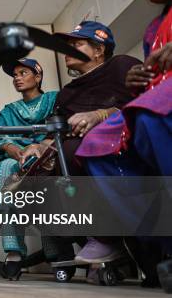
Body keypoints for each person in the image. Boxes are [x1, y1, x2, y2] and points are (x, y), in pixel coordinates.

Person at [75, 0, 172, 290]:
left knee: (149, 116)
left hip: (163, 110)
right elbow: (154, 83)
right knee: (95, 145)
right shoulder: (151, 30)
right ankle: (158, 241)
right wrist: (136, 83)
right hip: (158, 101)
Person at [22, 22, 140, 268]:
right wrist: (41, 145)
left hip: (121, 144)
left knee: (73, 150)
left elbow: (143, 103)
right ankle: (82, 240)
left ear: (99, 50)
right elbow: (57, 127)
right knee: (27, 183)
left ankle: (106, 238)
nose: (68, 51)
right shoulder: (67, 93)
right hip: (74, 153)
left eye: (76, 44)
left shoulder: (121, 66)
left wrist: (101, 115)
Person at [0, 58, 57, 278]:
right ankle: (13, 252)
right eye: (15, 75)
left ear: (38, 77)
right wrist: (10, 147)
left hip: (48, 157)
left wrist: (42, 146)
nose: (17, 78)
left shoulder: (54, 100)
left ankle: (57, 251)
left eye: (23, 73)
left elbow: (65, 127)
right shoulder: (8, 111)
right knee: (5, 167)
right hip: (19, 161)